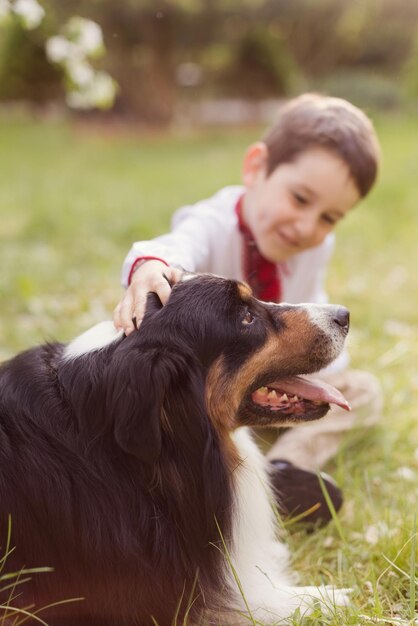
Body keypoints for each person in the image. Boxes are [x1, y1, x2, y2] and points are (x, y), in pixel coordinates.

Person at [113, 93, 383, 526]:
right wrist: (152, 266)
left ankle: (282, 475)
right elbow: (175, 247)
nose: (307, 227)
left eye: (329, 218)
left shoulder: (315, 247)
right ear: (257, 168)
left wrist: (316, 380)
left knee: (364, 392)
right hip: (198, 405)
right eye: (299, 199)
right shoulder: (215, 223)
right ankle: (226, 473)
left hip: (266, 385)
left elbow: (304, 312)